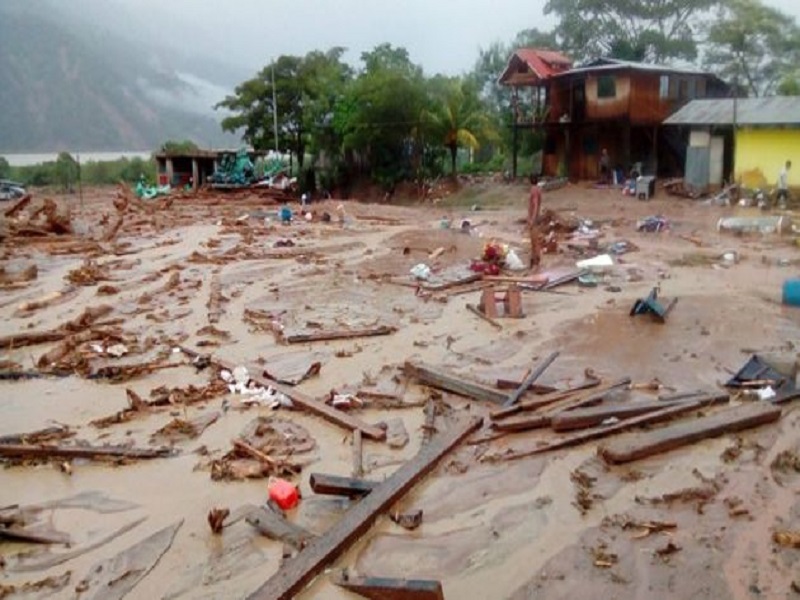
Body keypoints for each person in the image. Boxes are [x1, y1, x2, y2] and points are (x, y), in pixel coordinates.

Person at [527, 175, 543, 268]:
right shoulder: (538, 189)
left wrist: (532, 219)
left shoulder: (534, 190)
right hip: (535, 217)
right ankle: (534, 259)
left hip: (534, 218)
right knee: (534, 240)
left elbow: (535, 205)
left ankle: (536, 259)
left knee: (534, 240)